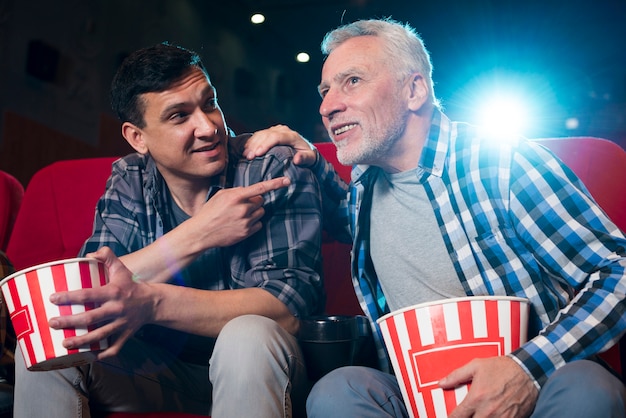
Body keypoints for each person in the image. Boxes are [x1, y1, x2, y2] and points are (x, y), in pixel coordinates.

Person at [245, 18, 626, 417]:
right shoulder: (363, 190)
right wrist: (308, 153)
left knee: (588, 386)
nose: (327, 106)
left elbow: (617, 273)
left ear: (414, 90)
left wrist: (525, 370)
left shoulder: (501, 162)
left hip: (535, 388)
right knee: (336, 390)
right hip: (422, 398)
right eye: (325, 91)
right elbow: (345, 213)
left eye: (352, 81)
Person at [12, 42, 326, 418]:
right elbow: (89, 293)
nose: (209, 127)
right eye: (179, 117)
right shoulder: (130, 177)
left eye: (209, 103)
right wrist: (200, 233)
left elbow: (287, 311)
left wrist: (150, 303)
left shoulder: (269, 167)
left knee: (246, 337)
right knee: (51, 343)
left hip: (267, 370)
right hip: (163, 373)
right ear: (137, 137)